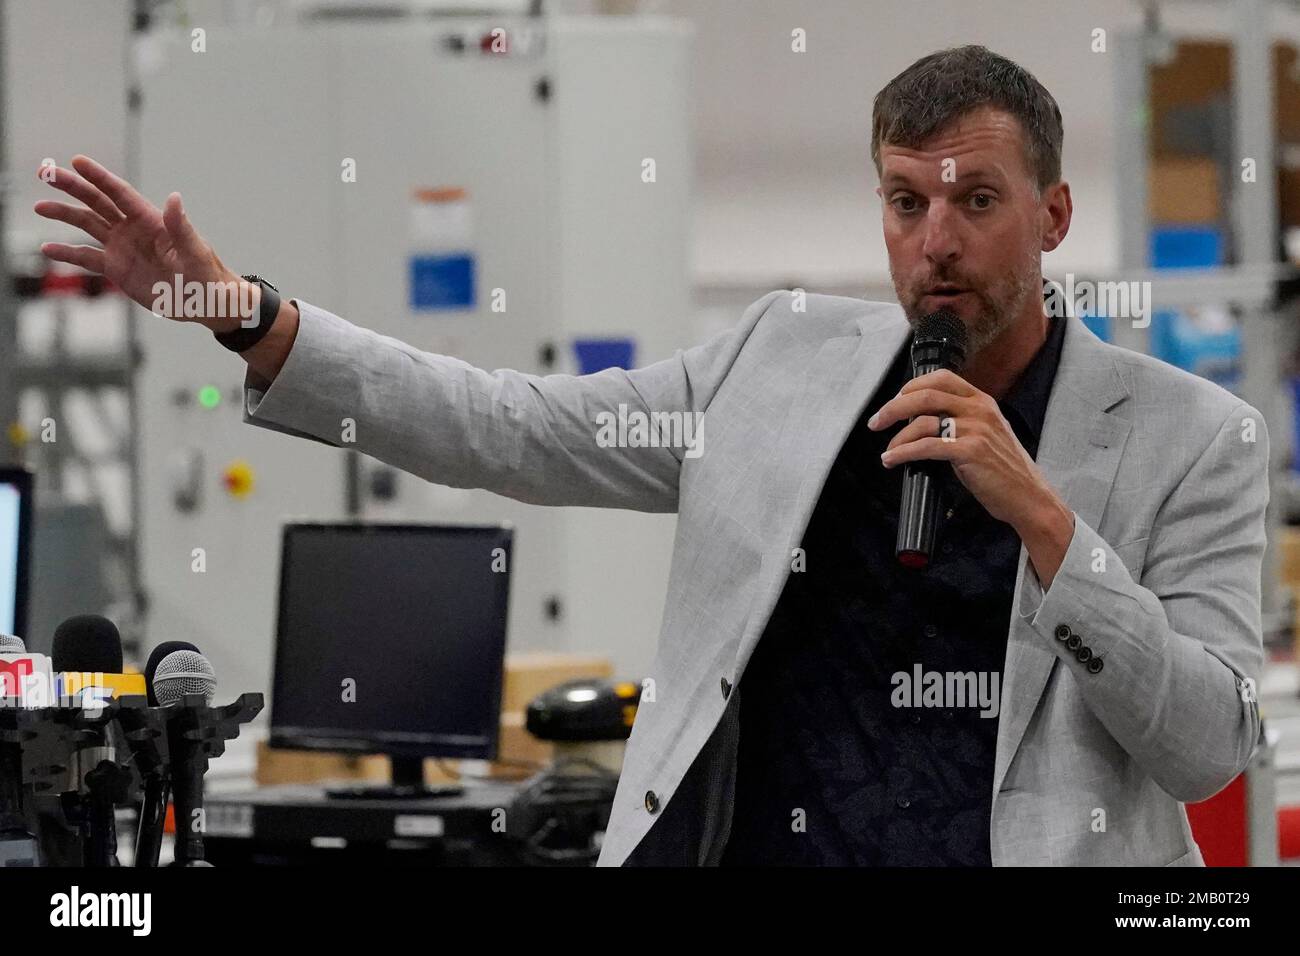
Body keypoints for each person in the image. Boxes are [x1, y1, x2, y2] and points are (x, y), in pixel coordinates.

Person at [36, 45, 1267, 866]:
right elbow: (503, 424)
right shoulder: (776, 361)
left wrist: (1049, 527)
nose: (934, 241)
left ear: (1054, 214)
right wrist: (242, 312)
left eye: (976, 201)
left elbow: (1210, 739)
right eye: (904, 202)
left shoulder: (1189, 438)